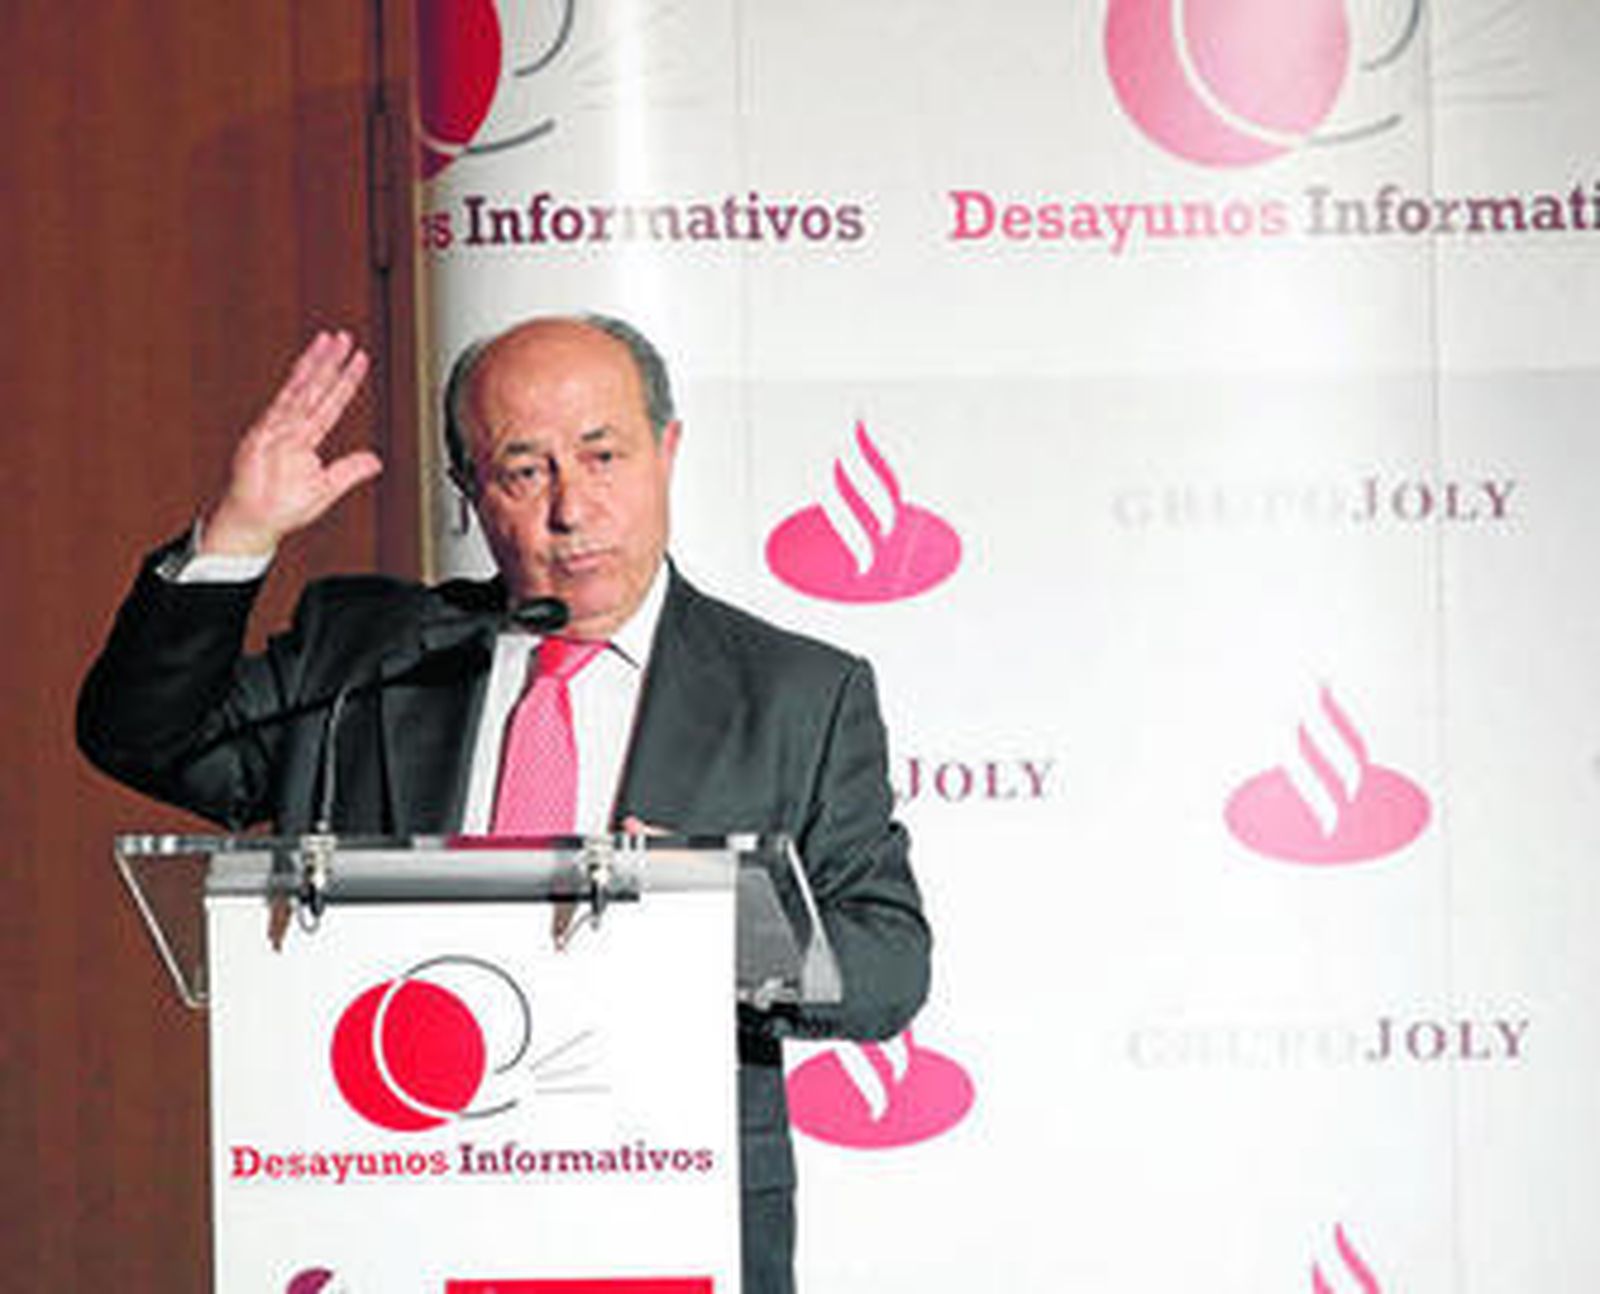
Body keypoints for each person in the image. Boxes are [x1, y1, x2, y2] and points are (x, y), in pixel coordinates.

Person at [77, 314, 931, 1294]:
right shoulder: (369, 657)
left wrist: (718, 921)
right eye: (525, 470)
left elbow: (889, 965)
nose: (572, 508)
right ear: (470, 491)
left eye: (603, 455)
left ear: (667, 450)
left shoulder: (795, 694)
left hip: (662, 1226)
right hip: (386, 1209)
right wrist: (237, 537)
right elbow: (145, 737)